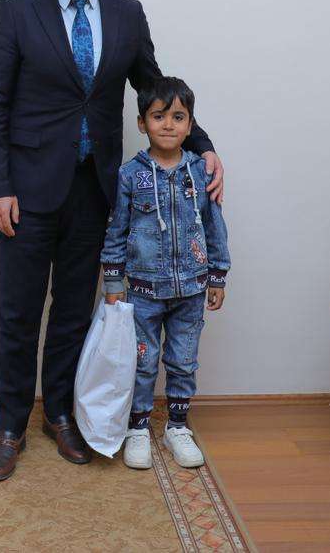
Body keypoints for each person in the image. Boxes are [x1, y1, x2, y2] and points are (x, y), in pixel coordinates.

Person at [0, 0, 225, 482]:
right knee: (18, 313)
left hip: (96, 191)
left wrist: (202, 145)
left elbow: (154, 88)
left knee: (73, 311)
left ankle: (59, 414)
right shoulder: (16, 12)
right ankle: (10, 426)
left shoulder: (126, 13)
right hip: (27, 191)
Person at [100, 77, 230, 470]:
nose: (169, 124)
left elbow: (214, 227)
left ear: (190, 125)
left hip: (191, 289)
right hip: (142, 292)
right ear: (142, 123)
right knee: (142, 362)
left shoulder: (201, 173)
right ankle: (138, 428)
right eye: (159, 116)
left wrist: (218, 275)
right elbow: (116, 230)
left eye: (178, 116)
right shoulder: (129, 175)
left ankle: (177, 427)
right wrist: (113, 281)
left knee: (182, 361)